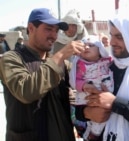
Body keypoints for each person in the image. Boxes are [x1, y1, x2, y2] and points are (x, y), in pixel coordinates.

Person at [0, 8, 85, 141]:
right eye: (48, 29)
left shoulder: (62, 65)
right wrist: (62, 54)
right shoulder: (11, 59)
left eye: (56, 30)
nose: (54, 35)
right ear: (31, 28)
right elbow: (25, 91)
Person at [69, 35, 113, 140]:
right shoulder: (80, 65)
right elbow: (75, 80)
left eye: (91, 45)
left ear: (100, 50)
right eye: (84, 46)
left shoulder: (106, 61)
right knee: (94, 118)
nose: (87, 47)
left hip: (105, 97)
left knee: (101, 119)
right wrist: (84, 86)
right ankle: (91, 134)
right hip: (88, 98)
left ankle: (93, 134)